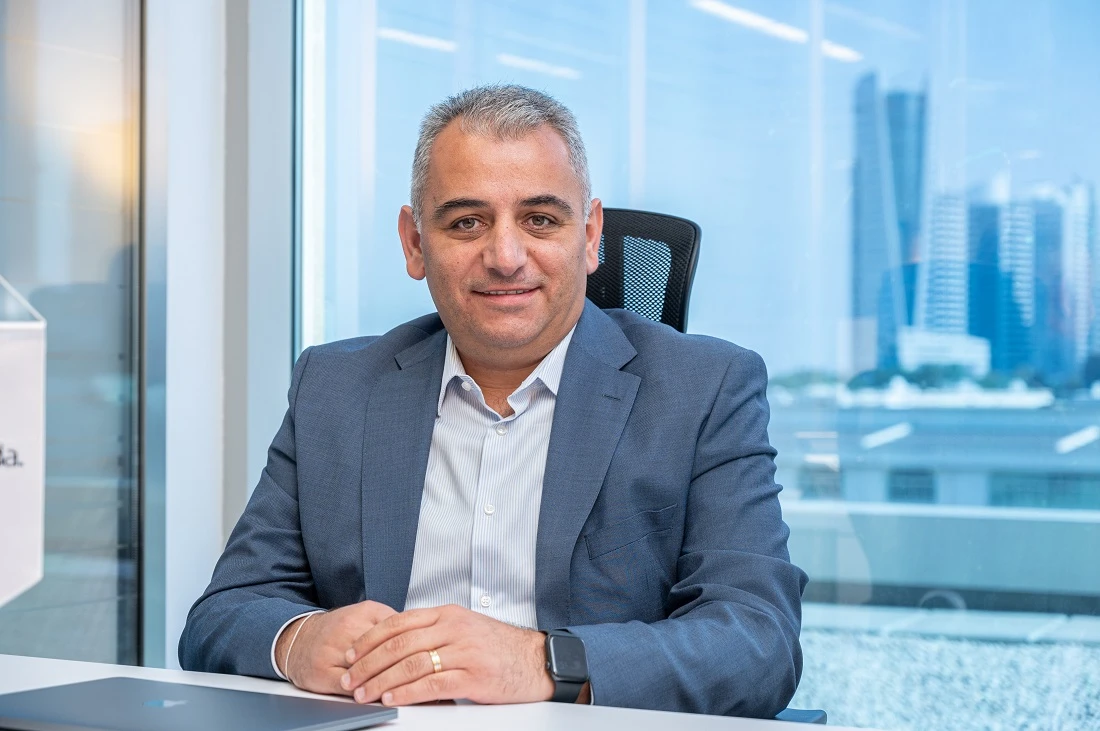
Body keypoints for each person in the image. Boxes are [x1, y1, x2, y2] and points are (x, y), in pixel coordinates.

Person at [179, 84, 807, 718]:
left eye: (539, 219)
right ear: (415, 243)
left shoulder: (703, 388)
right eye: (466, 222)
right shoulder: (336, 387)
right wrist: (297, 641)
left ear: (590, 236)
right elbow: (224, 613)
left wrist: (540, 662)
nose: (506, 258)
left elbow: (757, 641)